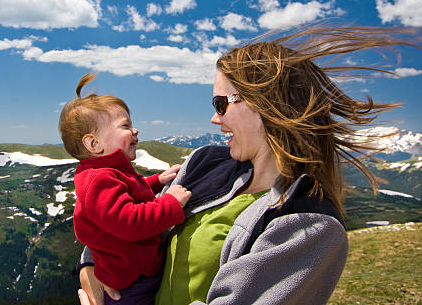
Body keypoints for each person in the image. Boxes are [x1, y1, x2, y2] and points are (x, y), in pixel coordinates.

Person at [77, 27, 419, 305]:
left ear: (265, 104)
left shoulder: (309, 224)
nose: (214, 118)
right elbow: (119, 219)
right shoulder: (204, 163)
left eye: (221, 103)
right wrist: (90, 270)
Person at [60, 72, 193, 305]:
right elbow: (130, 222)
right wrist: (169, 204)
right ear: (94, 143)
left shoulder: (109, 172)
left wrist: (157, 181)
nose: (135, 131)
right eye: (125, 125)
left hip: (135, 275)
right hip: (131, 286)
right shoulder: (99, 180)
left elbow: (131, 192)